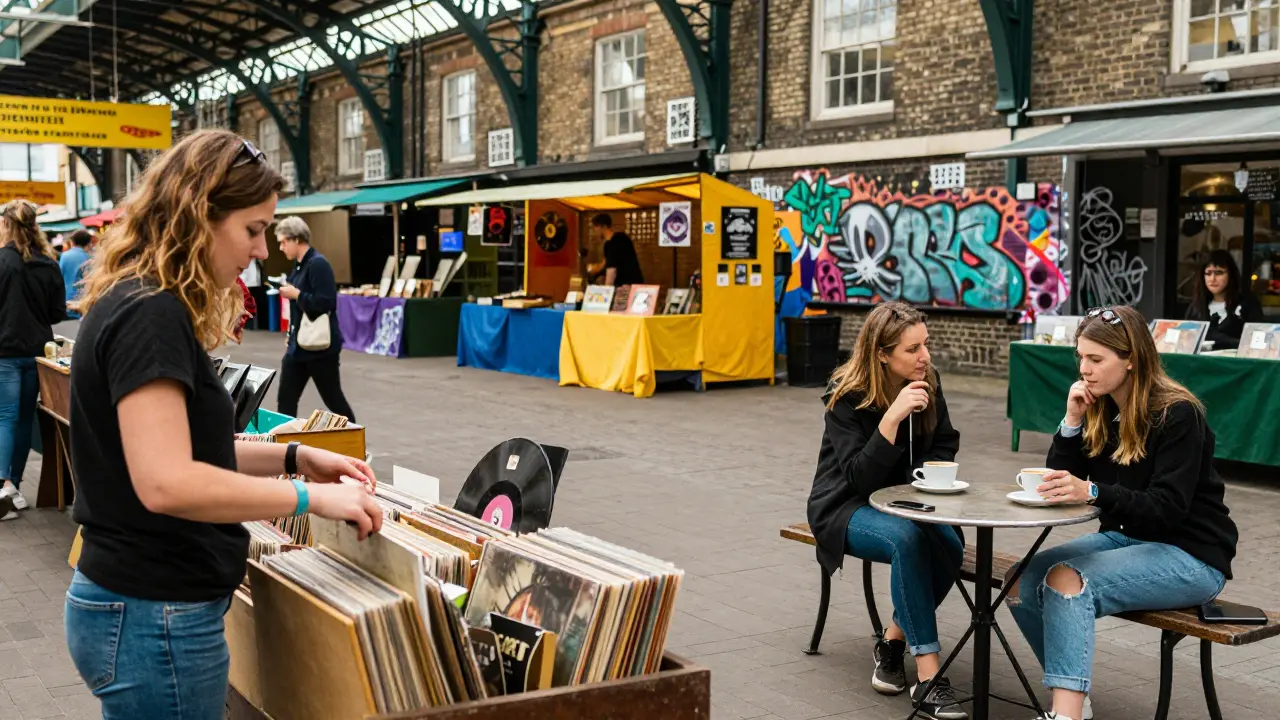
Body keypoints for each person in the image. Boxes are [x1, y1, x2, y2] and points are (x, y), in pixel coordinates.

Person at [65, 130, 383, 720]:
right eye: (252, 229)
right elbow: (169, 483)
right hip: (154, 612)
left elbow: (194, 452)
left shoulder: (139, 300)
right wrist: (308, 497)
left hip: (136, 607)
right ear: (196, 216)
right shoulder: (151, 314)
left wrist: (294, 455)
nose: (261, 250)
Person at [1006, 305, 1236, 720]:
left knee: (1065, 580)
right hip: (1127, 537)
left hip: (1191, 553)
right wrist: (1072, 421)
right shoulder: (1102, 406)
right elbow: (1062, 482)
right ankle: (1072, 693)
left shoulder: (1178, 414)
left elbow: (1165, 511)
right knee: (1022, 578)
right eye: (1081, 357)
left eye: (1096, 359)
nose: (1084, 369)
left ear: (1131, 358)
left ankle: (1067, 712)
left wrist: (1094, 491)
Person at [807, 302, 967, 720]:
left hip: (906, 502)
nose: (925, 358)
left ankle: (893, 643)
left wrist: (932, 476)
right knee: (909, 540)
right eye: (913, 349)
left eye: (925, 345)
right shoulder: (846, 395)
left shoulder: (927, 381)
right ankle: (928, 678)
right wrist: (891, 419)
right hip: (845, 505)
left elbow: (945, 442)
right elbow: (859, 477)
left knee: (951, 542)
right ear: (881, 353)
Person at [0, 200, 66, 518]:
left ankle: (4, 485)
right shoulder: (48, 263)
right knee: (23, 418)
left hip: (5, 352)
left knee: (5, 418)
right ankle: (13, 486)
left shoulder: (1, 260)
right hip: (37, 352)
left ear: (7, 225)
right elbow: (57, 312)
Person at [274, 215, 357, 422]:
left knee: (334, 400)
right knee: (285, 399)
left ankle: (355, 439)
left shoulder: (318, 264)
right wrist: (291, 333)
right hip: (298, 346)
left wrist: (297, 295)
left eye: (283, 242)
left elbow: (327, 302)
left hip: (320, 349)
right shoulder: (300, 266)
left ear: (297, 239)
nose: (281, 248)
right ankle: (284, 446)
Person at [1184, 249, 1263, 351]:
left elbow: (1258, 341)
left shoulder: (1248, 304)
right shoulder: (1196, 308)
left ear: (1231, 274)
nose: (1212, 279)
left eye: (1219, 273)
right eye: (1208, 273)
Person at [585, 213, 643, 287]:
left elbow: (611, 270)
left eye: (596, 227)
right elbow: (606, 263)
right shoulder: (619, 238)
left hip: (626, 286)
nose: (594, 231)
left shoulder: (614, 242)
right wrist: (594, 268)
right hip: (634, 284)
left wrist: (607, 290)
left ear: (604, 226)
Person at [59, 229, 93, 317]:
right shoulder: (89, 258)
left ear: (72, 242)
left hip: (66, 301)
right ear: (88, 243)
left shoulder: (64, 256)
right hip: (82, 302)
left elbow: (59, 276)